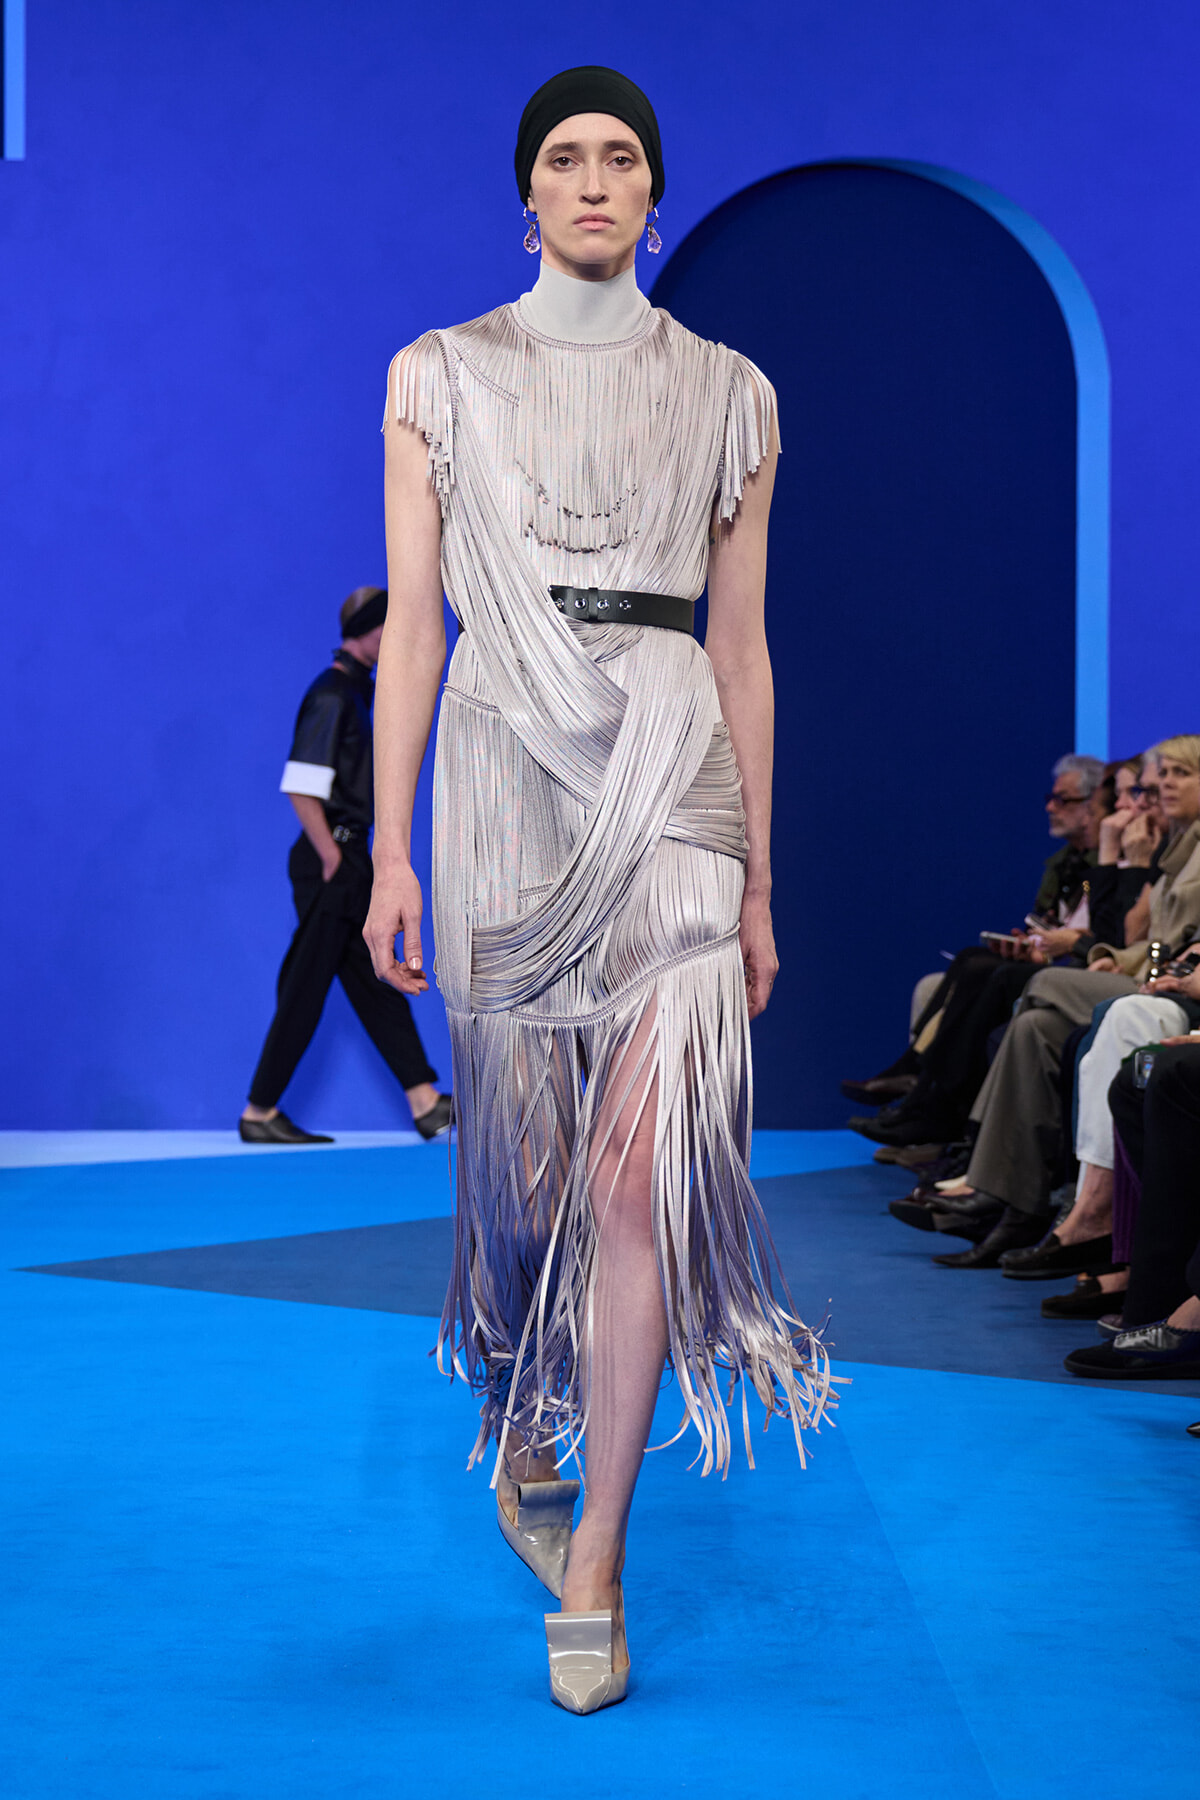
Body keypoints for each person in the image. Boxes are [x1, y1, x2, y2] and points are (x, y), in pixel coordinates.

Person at [364, 67, 831, 1713]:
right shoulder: (439, 378)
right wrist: (393, 846)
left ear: (653, 194)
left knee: (638, 1182)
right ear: (526, 195)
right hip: (502, 759)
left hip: (674, 764)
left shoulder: (731, 393)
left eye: (619, 156)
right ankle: (522, 1408)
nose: (591, 178)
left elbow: (747, 646)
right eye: (563, 156)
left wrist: (762, 881)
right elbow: (415, 630)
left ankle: (604, 1558)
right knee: (528, 1178)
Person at [932, 736, 1200, 1268]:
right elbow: (1141, 937)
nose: (1154, 792)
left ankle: (949, 1130)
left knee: (1022, 982)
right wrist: (1115, 940)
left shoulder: (1179, 847)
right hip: (1150, 976)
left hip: (1168, 990)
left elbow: (1157, 940)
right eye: (1153, 780)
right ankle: (1008, 1195)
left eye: (1175, 776)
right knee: (1032, 1026)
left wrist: (1122, 874)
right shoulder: (1175, 845)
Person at [240, 587, 450, 1145]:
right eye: (391, 627)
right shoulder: (333, 695)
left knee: (374, 980)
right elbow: (302, 785)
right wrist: (333, 856)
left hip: (350, 857)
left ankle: (424, 1100)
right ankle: (259, 1111)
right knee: (306, 987)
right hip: (332, 859)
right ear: (370, 630)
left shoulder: (357, 691)